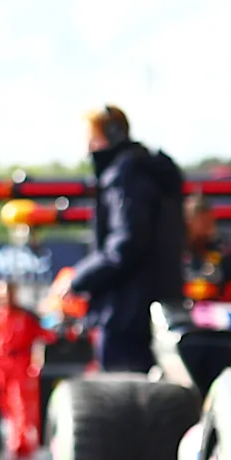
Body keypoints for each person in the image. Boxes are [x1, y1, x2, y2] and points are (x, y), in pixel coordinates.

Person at [65, 105, 186, 372]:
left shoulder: (124, 176)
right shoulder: (150, 172)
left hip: (124, 315)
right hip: (156, 308)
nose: (87, 148)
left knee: (121, 402)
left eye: (92, 138)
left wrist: (78, 278)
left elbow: (126, 244)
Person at [0, 278, 50, 457]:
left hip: (21, 364)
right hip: (1, 366)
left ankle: (22, 443)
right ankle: (14, 440)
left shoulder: (26, 315)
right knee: (7, 405)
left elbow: (44, 335)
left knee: (21, 404)